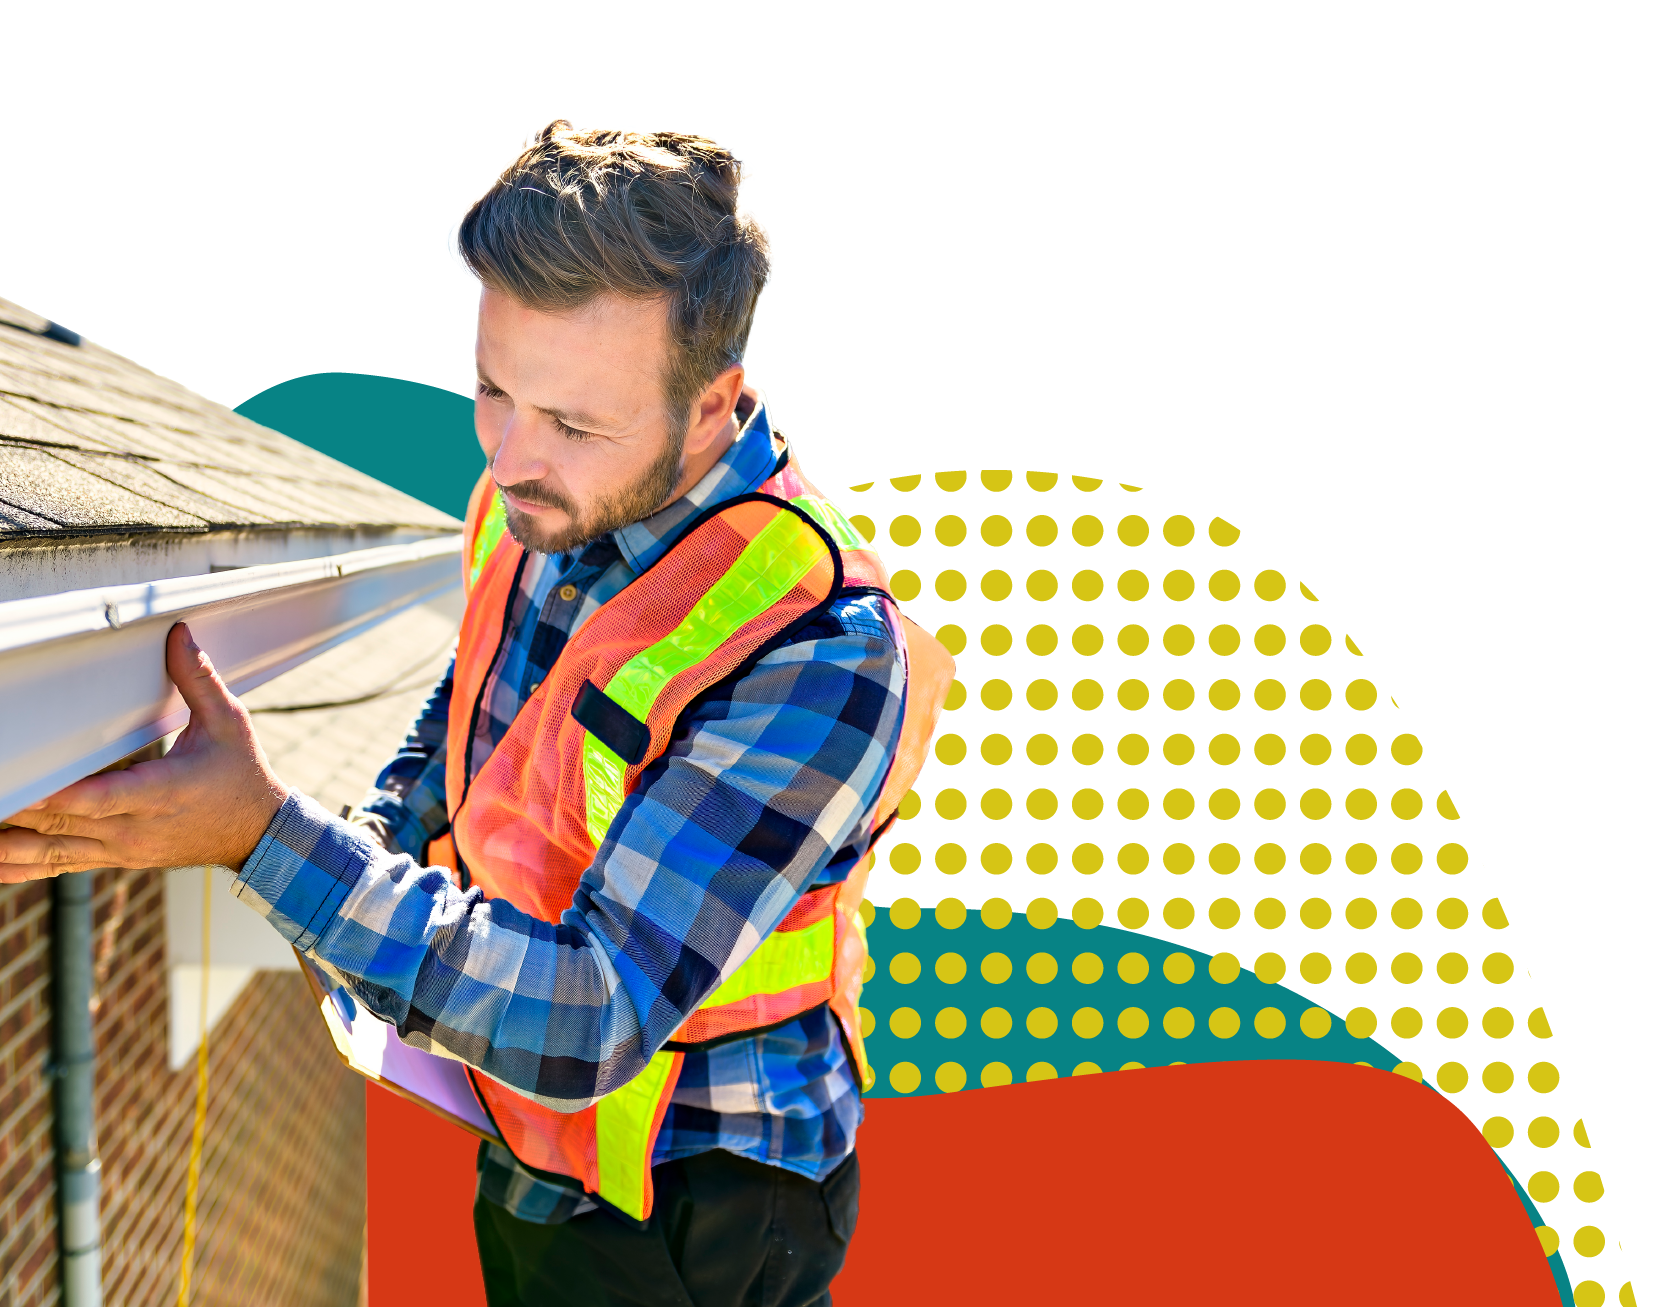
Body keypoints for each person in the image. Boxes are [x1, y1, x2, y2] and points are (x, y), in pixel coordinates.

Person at [0, 122, 951, 1307]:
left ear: (712, 403)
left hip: (697, 1195)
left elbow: (592, 1016)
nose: (509, 456)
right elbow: (473, 703)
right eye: (493, 390)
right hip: (528, 1132)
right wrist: (368, 844)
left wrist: (266, 839)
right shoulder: (542, 496)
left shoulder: (818, 650)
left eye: (573, 423)